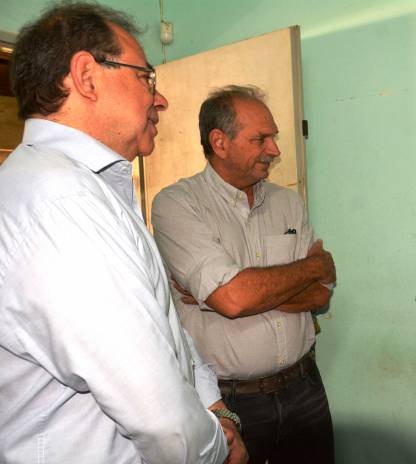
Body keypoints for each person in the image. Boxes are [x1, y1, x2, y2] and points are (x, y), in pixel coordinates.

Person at [0, 4, 246, 463]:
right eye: (145, 77)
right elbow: (159, 415)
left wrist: (213, 408)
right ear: (87, 77)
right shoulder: (62, 201)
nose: (160, 99)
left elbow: (163, 329)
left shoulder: (85, 188)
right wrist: (217, 450)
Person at [151, 85, 336, 464]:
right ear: (220, 142)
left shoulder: (288, 202)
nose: (275, 150)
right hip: (230, 402)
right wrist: (310, 267)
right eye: (260, 139)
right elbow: (234, 300)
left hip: (304, 387)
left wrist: (226, 295)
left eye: (274, 138)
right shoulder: (176, 204)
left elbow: (320, 293)